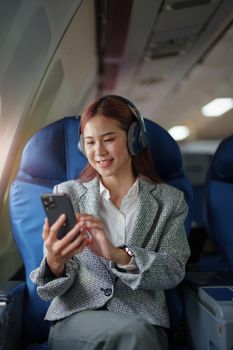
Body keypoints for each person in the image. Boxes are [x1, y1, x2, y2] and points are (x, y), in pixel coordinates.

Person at [30, 95, 191, 350]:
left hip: (142, 320)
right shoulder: (67, 194)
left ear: (134, 139)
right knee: (135, 337)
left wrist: (118, 255)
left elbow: (173, 270)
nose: (99, 152)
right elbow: (50, 289)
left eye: (108, 140)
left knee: (136, 334)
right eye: (90, 142)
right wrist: (54, 262)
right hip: (77, 317)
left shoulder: (169, 201)